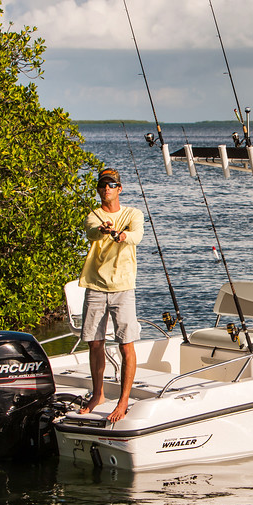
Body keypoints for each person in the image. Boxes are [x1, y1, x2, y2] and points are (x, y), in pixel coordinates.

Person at [78, 168, 144, 422]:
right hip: (95, 286)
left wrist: (122, 234)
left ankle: (124, 400)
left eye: (112, 184)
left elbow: (137, 235)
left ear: (120, 188)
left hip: (123, 288)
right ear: (99, 190)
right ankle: (98, 395)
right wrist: (105, 230)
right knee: (94, 343)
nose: (107, 189)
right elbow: (92, 232)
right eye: (103, 185)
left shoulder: (132, 214)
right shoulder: (93, 216)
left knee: (126, 344)